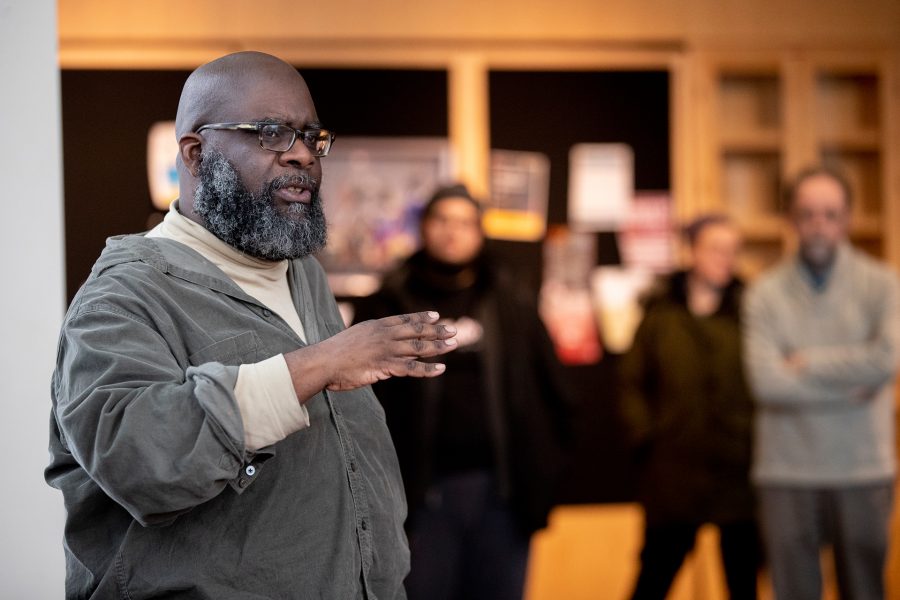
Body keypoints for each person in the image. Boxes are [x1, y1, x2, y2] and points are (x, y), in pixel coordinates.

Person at [45, 51, 459, 600]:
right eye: (271, 133)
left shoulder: (302, 275)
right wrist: (319, 365)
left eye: (312, 137)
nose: (302, 156)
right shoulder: (124, 296)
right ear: (195, 153)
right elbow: (136, 459)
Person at [353, 184, 572, 600]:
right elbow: (358, 402)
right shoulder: (390, 301)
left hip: (503, 494)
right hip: (418, 496)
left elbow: (555, 391)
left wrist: (546, 474)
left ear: (480, 232)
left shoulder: (510, 298)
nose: (453, 232)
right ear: (424, 228)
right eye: (442, 220)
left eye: (465, 222)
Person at [743, 166, 899, 600]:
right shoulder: (764, 294)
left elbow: (887, 360)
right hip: (785, 472)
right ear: (790, 219)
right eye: (807, 213)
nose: (819, 225)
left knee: (865, 590)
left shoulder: (883, 284)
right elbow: (766, 382)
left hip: (864, 469)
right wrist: (851, 384)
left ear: (847, 218)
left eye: (830, 214)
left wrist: (805, 362)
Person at [620, 215, 760, 599]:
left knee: (743, 580)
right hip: (673, 473)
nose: (725, 259)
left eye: (733, 250)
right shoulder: (660, 315)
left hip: (738, 471)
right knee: (654, 577)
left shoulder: (749, 313)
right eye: (716, 248)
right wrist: (646, 436)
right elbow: (631, 382)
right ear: (691, 251)